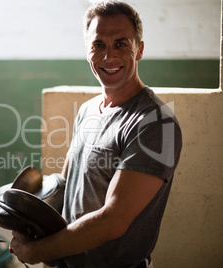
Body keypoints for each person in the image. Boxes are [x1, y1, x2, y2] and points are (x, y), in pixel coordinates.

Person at [9, 1, 182, 268]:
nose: (108, 56)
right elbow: (66, 185)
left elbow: (113, 221)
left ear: (140, 50)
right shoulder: (88, 110)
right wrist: (26, 214)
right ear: (87, 50)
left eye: (121, 44)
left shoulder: (156, 123)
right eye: (98, 45)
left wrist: (38, 251)